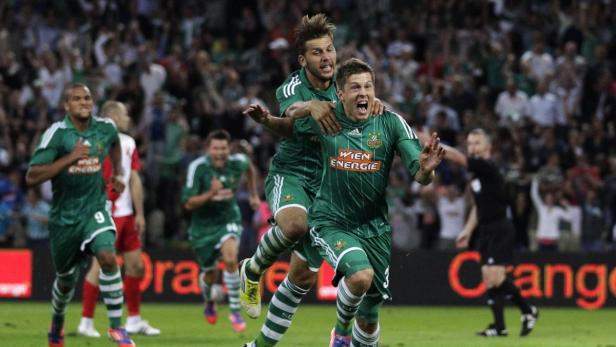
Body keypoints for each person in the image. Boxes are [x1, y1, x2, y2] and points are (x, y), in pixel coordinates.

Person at [246, 58, 442, 347]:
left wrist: (426, 170)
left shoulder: (390, 122)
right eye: (355, 87)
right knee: (360, 276)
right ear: (340, 94)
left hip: (375, 229)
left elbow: (421, 173)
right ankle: (339, 335)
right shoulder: (327, 119)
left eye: (368, 86)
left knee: (369, 315)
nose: (363, 93)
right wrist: (269, 120)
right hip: (331, 222)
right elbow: (291, 126)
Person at [239, 13, 383, 347]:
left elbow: (369, 108)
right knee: (294, 226)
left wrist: (372, 106)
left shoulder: (347, 84)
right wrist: (310, 107)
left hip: (328, 190)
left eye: (329, 50)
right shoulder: (291, 86)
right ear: (303, 60)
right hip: (291, 175)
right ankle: (253, 268)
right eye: (317, 52)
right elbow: (290, 115)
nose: (326, 57)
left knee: (300, 278)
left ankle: (257, 346)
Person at [25, 83, 135, 347]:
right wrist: (69, 159)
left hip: (95, 209)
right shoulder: (57, 134)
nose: (84, 102)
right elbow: (32, 175)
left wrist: (118, 173)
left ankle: (117, 328)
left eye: (87, 97)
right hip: (64, 218)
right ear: (66, 106)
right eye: (77, 99)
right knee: (65, 282)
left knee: (108, 257)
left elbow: (115, 144)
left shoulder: (105, 128)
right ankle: (58, 320)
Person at [77, 101, 160, 337]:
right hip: (105, 212)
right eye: (124, 114)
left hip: (127, 215)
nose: (128, 118)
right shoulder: (96, 141)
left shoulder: (129, 142)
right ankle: (86, 322)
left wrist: (140, 213)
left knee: (135, 266)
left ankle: (133, 319)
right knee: (99, 267)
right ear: (112, 116)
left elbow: (134, 178)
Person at [449, 128, 538, 337]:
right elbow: (478, 207)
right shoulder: (477, 176)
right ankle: (500, 327)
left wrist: (434, 146)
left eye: (477, 143)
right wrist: (468, 230)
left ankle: (528, 309)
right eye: (470, 143)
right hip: (486, 229)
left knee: (494, 278)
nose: (472, 147)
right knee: (490, 278)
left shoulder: (487, 167)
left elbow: (458, 158)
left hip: (500, 228)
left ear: (488, 147)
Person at [181, 129, 260, 333]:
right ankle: (209, 301)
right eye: (215, 148)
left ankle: (235, 311)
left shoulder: (237, 162)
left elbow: (250, 169)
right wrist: (211, 193)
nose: (220, 153)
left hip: (228, 219)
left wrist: (253, 195)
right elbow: (188, 203)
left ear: (228, 149)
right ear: (208, 149)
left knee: (231, 258)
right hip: (202, 227)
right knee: (209, 274)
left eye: (223, 148)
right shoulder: (198, 168)